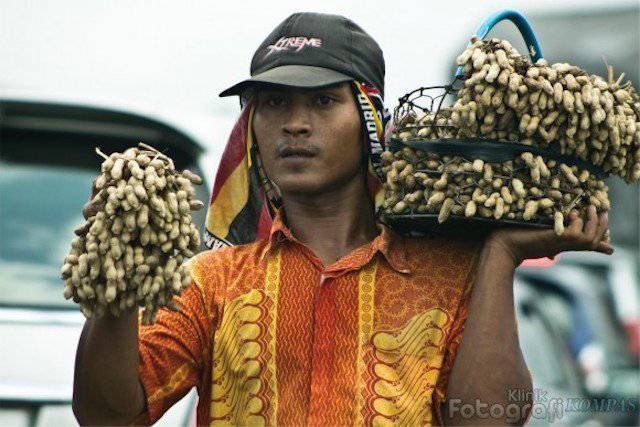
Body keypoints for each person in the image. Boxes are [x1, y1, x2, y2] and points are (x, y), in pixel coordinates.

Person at [72, 12, 613, 426]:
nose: (295, 125)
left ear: (370, 120)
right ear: (252, 126)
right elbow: (108, 416)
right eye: (275, 104)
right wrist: (114, 284)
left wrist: (499, 257)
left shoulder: (449, 277)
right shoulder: (214, 282)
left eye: (323, 102)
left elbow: (489, 419)